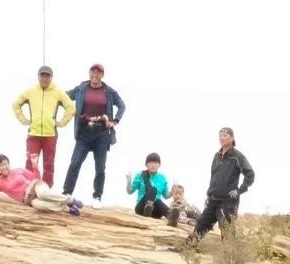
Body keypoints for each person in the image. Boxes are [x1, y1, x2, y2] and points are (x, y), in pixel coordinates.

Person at [62, 64, 126, 209]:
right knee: (75, 163)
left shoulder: (108, 91)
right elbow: (65, 96)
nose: (94, 75)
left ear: (102, 75)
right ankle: (66, 193)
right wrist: (51, 92)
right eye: (92, 72)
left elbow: (122, 105)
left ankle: (97, 196)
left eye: (98, 72)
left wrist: (115, 120)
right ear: (89, 73)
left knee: (100, 167)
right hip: (84, 132)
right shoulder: (81, 88)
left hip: (102, 133)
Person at [186, 127, 255, 244]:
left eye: (225, 135)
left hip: (228, 201)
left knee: (226, 229)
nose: (222, 138)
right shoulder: (216, 155)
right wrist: (209, 194)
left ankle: (229, 258)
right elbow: (213, 177)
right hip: (213, 198)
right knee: (202, 223)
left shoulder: (237, 156)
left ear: (232, 138)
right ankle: (188, 248)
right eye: (221, 135)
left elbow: (250, 174)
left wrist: (239, 190)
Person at [12, 66, 76, 187]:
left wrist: (62, 122)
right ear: (38, 76)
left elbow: (71, 108)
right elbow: (15, 104)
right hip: (33, 133)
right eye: (42, 75)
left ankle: (46, 189)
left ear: (51, 77)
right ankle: (29, 187)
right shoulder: (30, 91)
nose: (45, 78)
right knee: (31, 162)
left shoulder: (57, 92)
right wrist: (24, 120)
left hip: (50, 134)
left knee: (48, 164)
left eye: (47, 75)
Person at [0, 153, 83, 215]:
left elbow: (36, 178)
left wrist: (35, 165)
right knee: (40, 205)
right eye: (1, 165)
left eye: (6, 164)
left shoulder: (18, 170)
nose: (4, 166)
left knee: (42, 194)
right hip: (28, 199)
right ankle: (67, 208)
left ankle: (70, 200)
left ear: (9, 164)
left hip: (36, 186)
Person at [126, 153, 172, 218]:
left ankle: (171, 216)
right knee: (153, 190)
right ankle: (148, 207)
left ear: (159, 165)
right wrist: (129, 181)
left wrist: (173, 191)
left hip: (155, 211)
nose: (153, 165)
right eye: (151, 163)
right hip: (141, 208)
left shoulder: (162, 178)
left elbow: (166, 196)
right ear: (146, 165)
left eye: (155, 163)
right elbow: (130, 191)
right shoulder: (140, 175)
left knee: (158, 201)